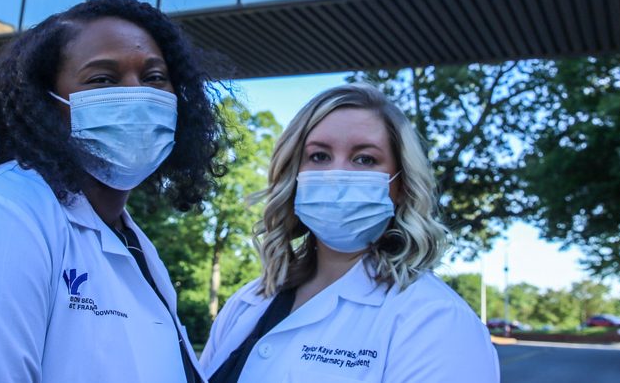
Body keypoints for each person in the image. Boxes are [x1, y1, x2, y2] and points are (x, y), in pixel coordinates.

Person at [0, 0, 223, 383]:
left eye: (155, 77)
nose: (138, 95)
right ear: (46, 103)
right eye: (101, 79)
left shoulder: (132, 244)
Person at [200, 83, 500, 382]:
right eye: (319, 156)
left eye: (365, 159)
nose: (335, 175)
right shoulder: (249, 301)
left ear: (400, 186)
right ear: (294, 174)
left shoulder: (436, 319)